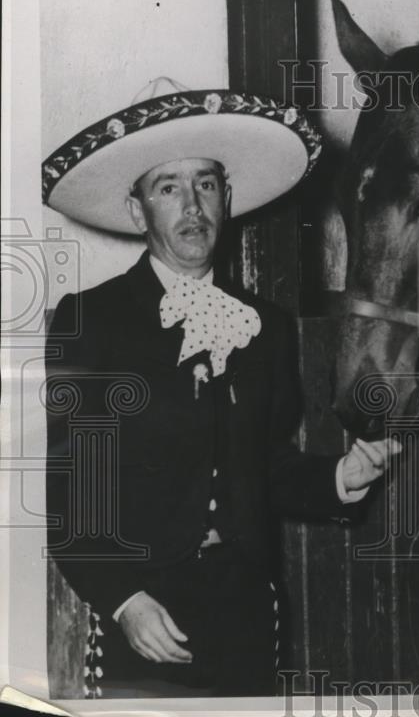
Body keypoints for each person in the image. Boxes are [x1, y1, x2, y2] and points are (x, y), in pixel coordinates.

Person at [43, 82, 397, 698]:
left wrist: (341, 478)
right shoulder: (92, 321)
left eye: (205, 184)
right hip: (146, 610)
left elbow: (266, 467)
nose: (191, 206)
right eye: (168, 187)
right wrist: (124, 601)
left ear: (227, 199)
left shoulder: (268, 327)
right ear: (138, 212)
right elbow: (73, 495)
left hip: (245, 615)